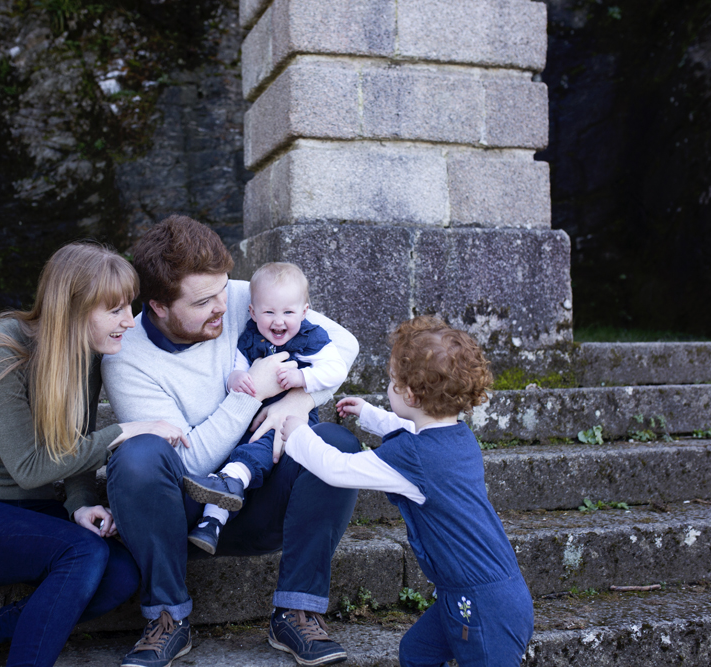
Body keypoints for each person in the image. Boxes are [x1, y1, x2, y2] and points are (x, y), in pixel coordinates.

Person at [0, 243, 189, 667]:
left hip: (30, 510)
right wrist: (127, 430)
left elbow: (72, 441)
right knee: (85, 554)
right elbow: (31, 467)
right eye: (115, 310)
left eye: (127, 308)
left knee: (122, 575)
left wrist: (79, 503)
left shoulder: (86, 356)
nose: (128, 323)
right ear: (73, 308)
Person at [101, 215, 362, 667]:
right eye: (204, 301)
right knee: (138, 455)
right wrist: (254, 395)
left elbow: (345, 345)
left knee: (335, 444)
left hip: (260, 504)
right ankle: (167, 617)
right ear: (159, 306)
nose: (223, 306)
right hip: (181, 516)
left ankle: (297, 611)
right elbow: (186, 461)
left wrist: (294, 400)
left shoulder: (241, 297)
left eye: (223, 289)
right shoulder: (128, 359)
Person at [280, 315, 534, 667]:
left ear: (411, 394)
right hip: (487, 593)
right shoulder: (459, 437)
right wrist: (371, 416)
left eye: (392, 383)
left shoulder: (411, 458)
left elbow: (336, 469)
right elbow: (418, 430)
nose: (389, 388)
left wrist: (297, 432)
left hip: (480, 605)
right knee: (418, 652)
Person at [183, 261, 347, 554]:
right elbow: (239, 368)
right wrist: (237, 378)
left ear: (305, 311)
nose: (278, 321)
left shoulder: (311, 337)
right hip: (251, 415)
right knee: (235, 450)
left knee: (259, 446)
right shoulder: (250, 337)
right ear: (253, 312)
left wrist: (303, 378)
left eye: (288, 312)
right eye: (269, 312)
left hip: (291, 417)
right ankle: (211, 524)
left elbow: (336, 369)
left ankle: (234, 480)